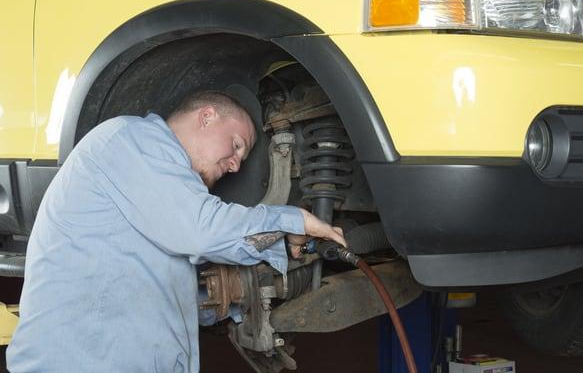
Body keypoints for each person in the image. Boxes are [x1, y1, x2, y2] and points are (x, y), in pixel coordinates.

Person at [7, 91, 346, 372]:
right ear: (207, 116)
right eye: (237, 145)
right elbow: (202, 231)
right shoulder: (130, 139)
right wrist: (291, 220)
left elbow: (177, 296)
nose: (236, 164)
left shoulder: (162, 204)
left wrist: (274, 253)